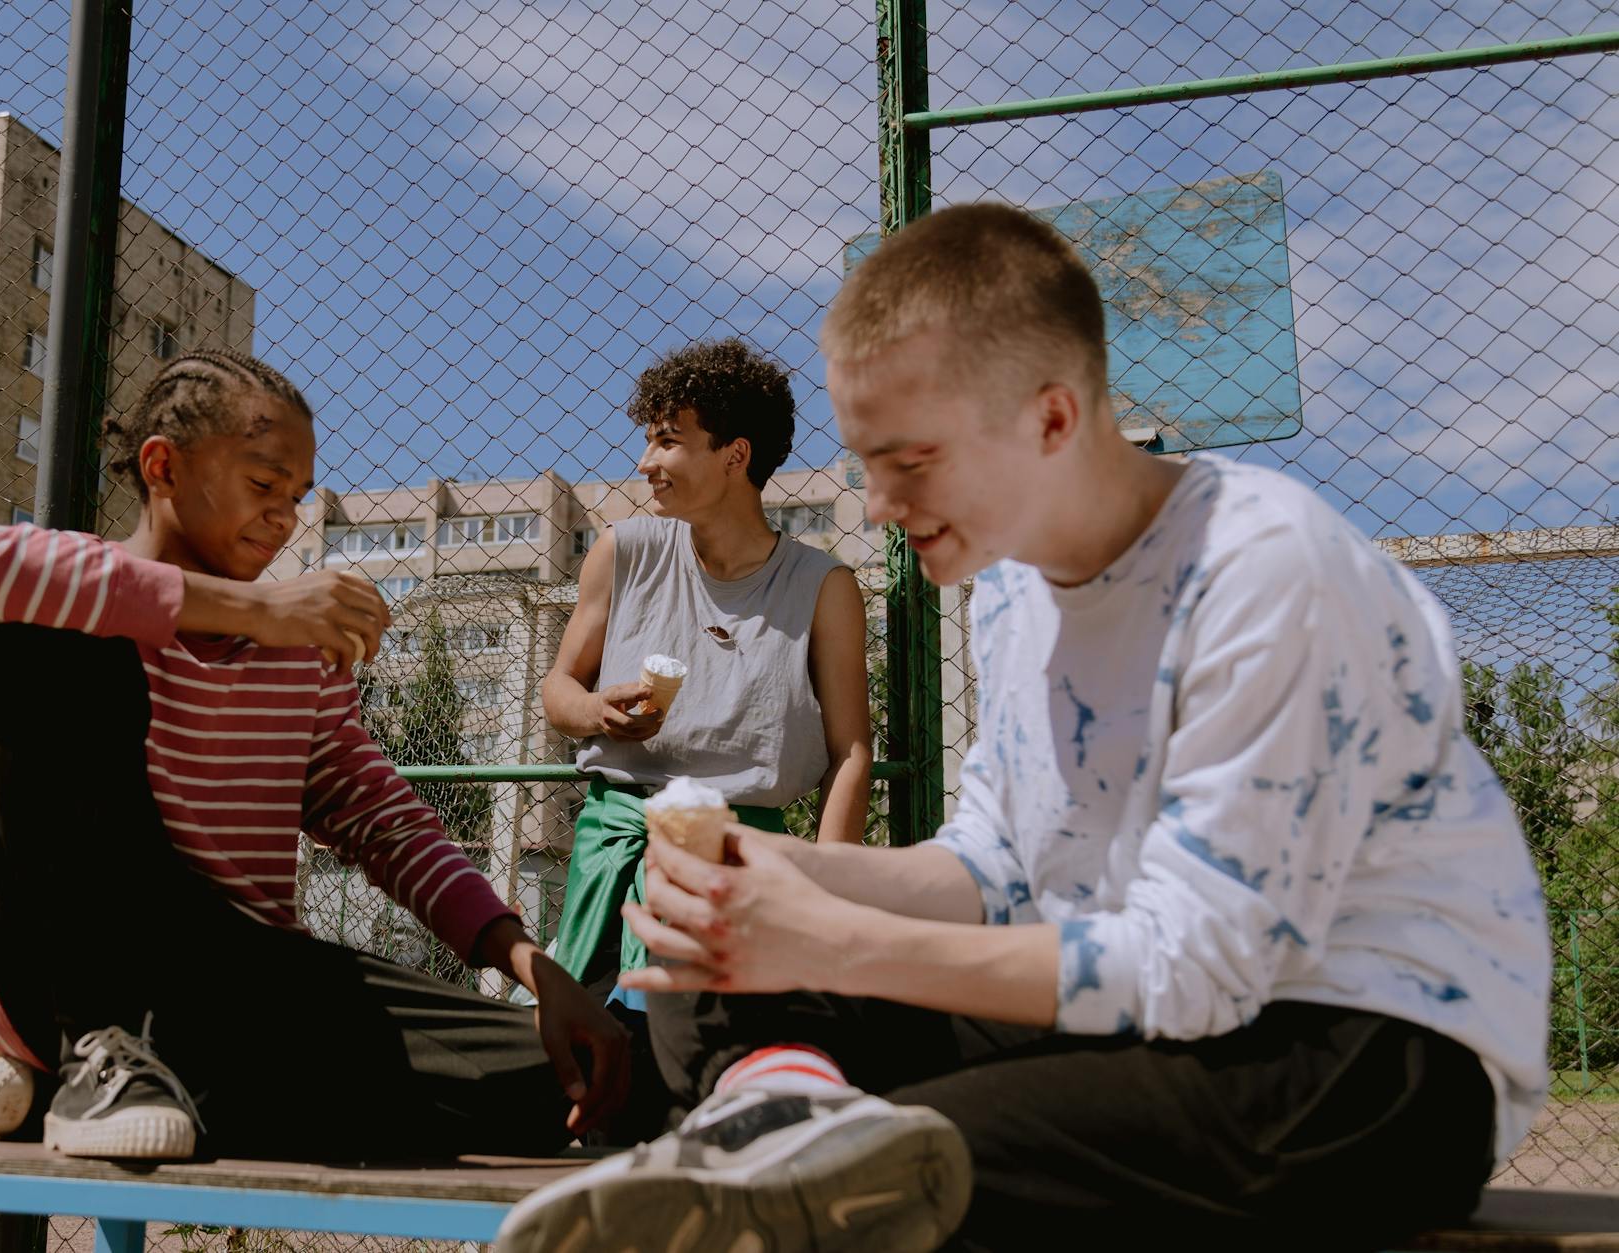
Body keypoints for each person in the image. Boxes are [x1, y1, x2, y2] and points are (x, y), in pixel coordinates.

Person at [496, 205, 1550, 1252]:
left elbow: (1201, 966)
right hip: (1130, 1010)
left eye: (907, 460)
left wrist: (839, 934)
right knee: (712, 960)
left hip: (1364, 1049)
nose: (873, 503)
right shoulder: (1007, 590)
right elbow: (993, 866)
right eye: (864, 460)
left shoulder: (1262, 571)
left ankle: (795, 1166)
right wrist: (772, 871)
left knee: (924, 1160)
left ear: (1050, 418)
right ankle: (779, 1121)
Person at [0, 349, 627, 1161]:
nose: (284, 518)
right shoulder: (84, 590)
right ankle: (93, 1047)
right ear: (163, 466)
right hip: (52, 965)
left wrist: (533, 964)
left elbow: (381, 817)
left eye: (295, 498)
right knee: (59, 639)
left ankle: (135, 1085)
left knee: (568, 1089)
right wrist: (254, 607)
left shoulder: (297, 658)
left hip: (233, 979)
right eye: (263, 485)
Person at [537, 339, 871, 1138]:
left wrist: (817, 888)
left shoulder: (822, 587)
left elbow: (851, 750)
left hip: (741, 857)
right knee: (581, 1075)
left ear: (735, 455)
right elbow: (559, 689)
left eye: (668, 439)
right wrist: (597, 713)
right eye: (649, 438)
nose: (646, 460)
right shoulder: (621, 551)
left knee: (696, 1076)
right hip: (614, 839)